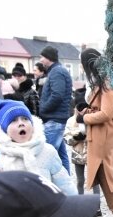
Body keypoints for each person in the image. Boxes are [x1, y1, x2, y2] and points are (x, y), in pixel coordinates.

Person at [0, 99, 77, 195]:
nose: (21, 123)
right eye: (13, 120)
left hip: (46, 206)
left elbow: (64, 184)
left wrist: (74, 204)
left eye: (25, 119)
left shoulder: (47, 151)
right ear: (4, 130)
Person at [78, 48, 113, 217]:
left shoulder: (108, 83)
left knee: (106, 175)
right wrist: (88, 111)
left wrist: (85, 118)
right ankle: (112, 213)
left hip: (104, 135)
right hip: (100, 134)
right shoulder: (103, 81)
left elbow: (106, 114)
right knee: (102, 174)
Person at [38, 45, 73, 173]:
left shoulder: (57, 72)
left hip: (54, 120)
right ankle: (67, 187)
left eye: (42, 57)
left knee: (46, 157)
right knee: (61, 156)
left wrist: (43, 110)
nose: (40, 60)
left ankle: (51, 188)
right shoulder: (57, 71)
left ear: (49, 58)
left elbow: (57, 95)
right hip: (57, 119)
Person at [65, 102, 99, 196]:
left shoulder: (93, 119)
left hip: (92, 154)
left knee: (95, 181)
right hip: (78, 154)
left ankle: (97, 205)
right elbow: (67, 138)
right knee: (80, 180)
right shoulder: (71, 121)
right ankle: (80, 201)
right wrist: (76, 138)